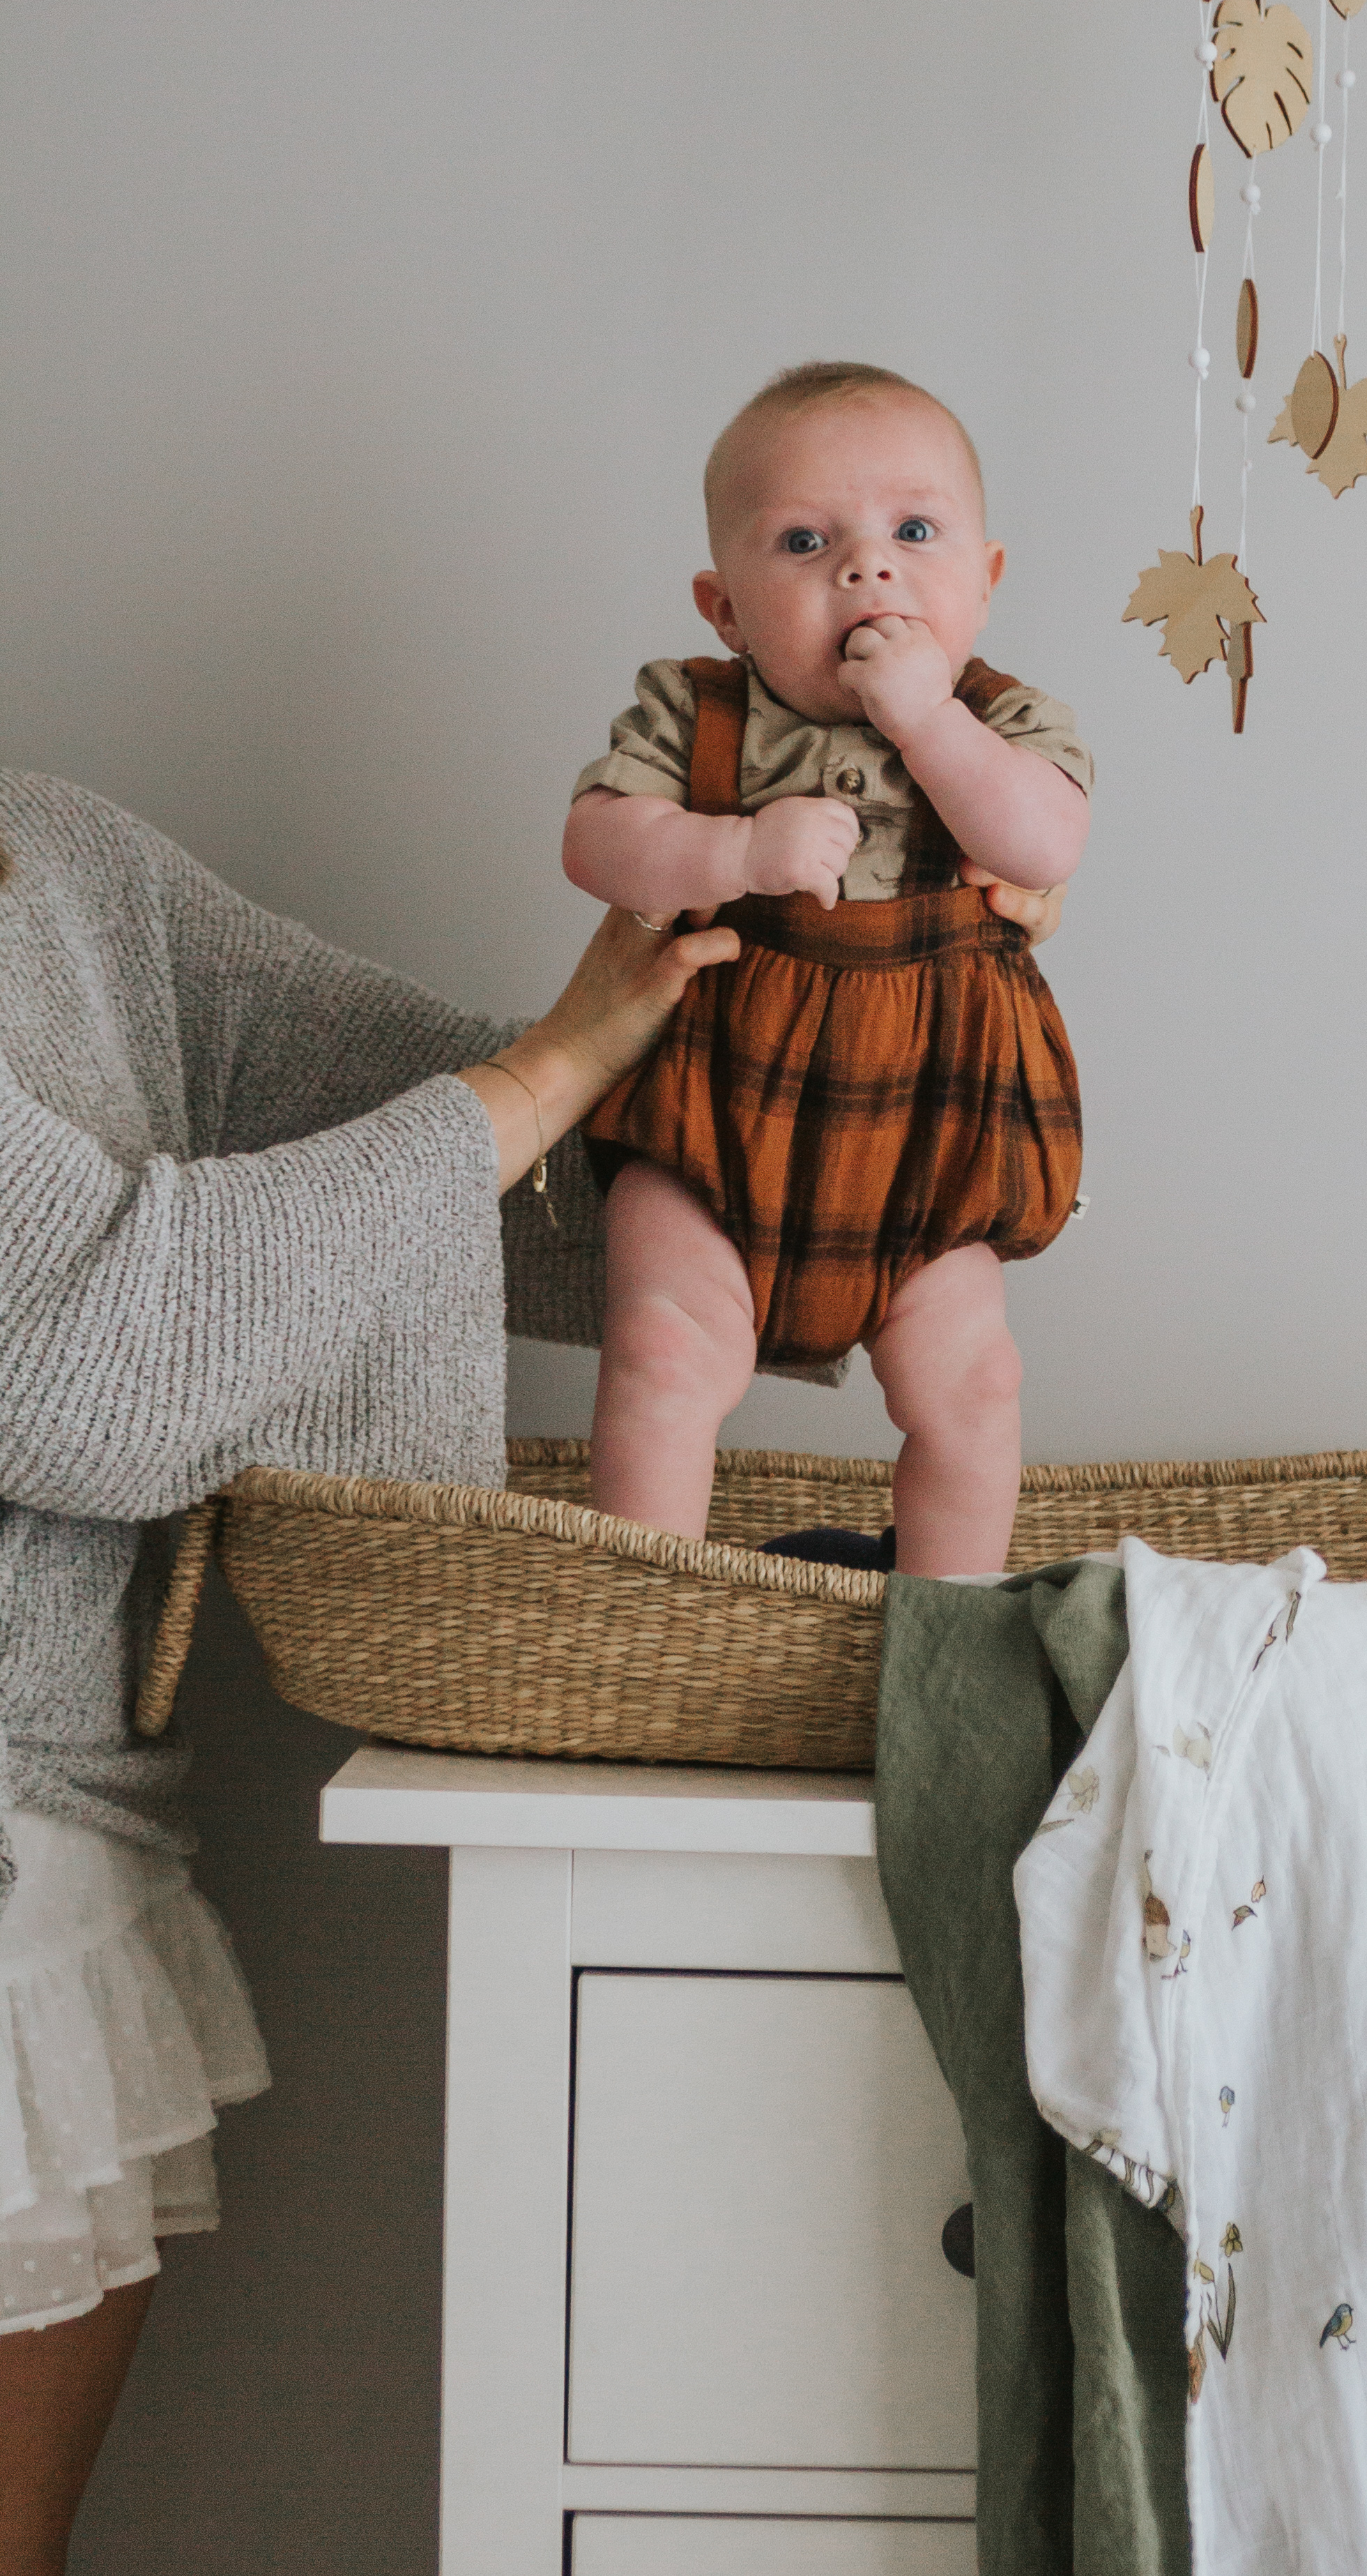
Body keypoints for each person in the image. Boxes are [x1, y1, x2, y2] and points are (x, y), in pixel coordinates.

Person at [0, 762, 1059, 2572]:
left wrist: (902, 1095)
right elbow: (90, 1353)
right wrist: (546, 1074)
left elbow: (464, 1163)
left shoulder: (65, 876)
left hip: (55, 1882)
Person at [565, 361, 1090, 1573]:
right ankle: (643, 1637)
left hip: (930, 1127)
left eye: (914, 531)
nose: (867, 568)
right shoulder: (695, 713)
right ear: (725, 609)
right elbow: (594, 842)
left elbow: (1042, 840)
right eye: (804, 541)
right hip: (714, 1111)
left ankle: (941, 1653)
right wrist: (737, 846)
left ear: (986, 581)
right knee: (657, 1351)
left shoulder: (1003, 723)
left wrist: (926, 719)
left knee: (976, 1387)